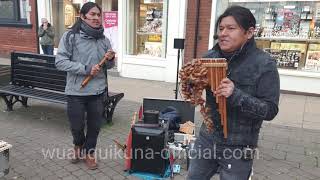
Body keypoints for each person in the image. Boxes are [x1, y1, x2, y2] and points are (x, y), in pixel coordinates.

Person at [187, 6, 280, 180]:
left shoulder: (264, 64)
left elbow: (270, 110)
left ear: (249, 32)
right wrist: (192, 84)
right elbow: (194, 94)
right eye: (221, 28)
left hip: (239, 144)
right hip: (208, 137)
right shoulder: (209, 57)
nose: (223, 33)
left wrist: (235, 94)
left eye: (231, 28)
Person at [55, 2, 115, 170]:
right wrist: (85, 69)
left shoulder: (104, 39)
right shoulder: (70, 37)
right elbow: (60, 62)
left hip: (97, 91)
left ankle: (89, 153)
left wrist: (110, 59)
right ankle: (78, 146)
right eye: (92, 15)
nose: (96, 18)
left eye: (98, 15)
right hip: (76, 91)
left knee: (95, 126)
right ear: (82, 16)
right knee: (77, 126)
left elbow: (109, 67)